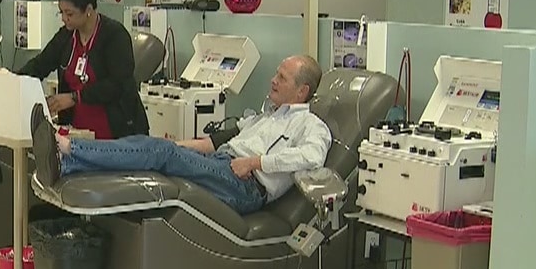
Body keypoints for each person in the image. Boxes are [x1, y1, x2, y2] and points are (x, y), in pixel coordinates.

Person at [32, 55, 330, 215]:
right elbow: (211, 143)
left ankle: (68, 147)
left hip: (246, 187)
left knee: (161, 154)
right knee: (157, 147)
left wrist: (254, 163)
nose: (273, 80)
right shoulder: (267, 116)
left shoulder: (311, 125)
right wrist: (173, 145)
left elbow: (312, 157)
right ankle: (66, 162)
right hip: (221, 165)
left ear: (302, 91)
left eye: (282, 77)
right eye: (276, 73)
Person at [14, 0, 148, 139]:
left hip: (116, 133)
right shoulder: (66, 36)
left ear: (88, 10)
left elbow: (117, 84)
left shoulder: (114, 36)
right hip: (77, 134)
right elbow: (41, 64)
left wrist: (75, 97)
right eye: (61, 12)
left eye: (69, 13)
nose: (64, 18)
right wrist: (13, 81)